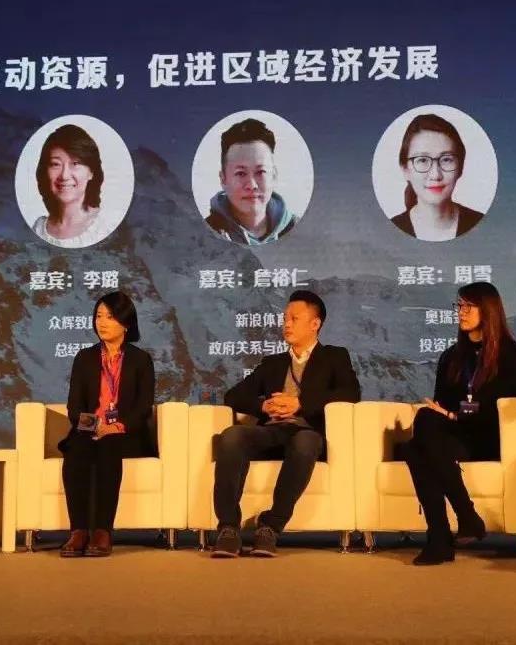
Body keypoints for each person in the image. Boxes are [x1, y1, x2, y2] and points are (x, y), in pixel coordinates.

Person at [211, 290, 361, 558]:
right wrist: (263, 406)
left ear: (315, 324)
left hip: (307, 431)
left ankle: (270, 527)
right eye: (285, 319)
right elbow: (233, 395)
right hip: (271, 432)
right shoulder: (274, 363)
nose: (287, 324)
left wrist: (300, 404)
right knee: (231, 436)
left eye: (294, 318)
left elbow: (350, 393)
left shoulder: (334, 357)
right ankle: (228, 528)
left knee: (305, 442)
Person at [399, 283, 516, 564]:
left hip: (486, 435)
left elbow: (500, 408)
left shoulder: (508, 354)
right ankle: (463, 518)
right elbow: (441, 403)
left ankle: (441, 537)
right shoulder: (451, 356)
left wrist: (454, 416)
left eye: (469, 306)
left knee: (416, 448)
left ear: (488, 310)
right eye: (459, 306)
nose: (461, 312)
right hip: (452, 435)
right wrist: (447, 415)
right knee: (421, 430)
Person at [57, 291, 155, 557]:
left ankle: (102, 531)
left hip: (126, 433)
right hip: (89, 430)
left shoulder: (141, 360)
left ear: (126, 323)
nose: (101, 323)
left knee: (110, 446)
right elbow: (74, 407)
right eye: (99, 316)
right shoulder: (84, 358)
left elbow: (143, 407)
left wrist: (115, 427)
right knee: (76, 449)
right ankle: (78, 531)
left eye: (110, 317)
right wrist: (94, 427)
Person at [204, 118, 297, 245]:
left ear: (274, 176)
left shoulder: (300, 232)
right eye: (241, 173)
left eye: (260, 172)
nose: (252, 185)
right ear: (223, 179)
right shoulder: (202, 236)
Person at [391, 113, 483, 241]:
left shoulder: (483, 224)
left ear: (461, 167)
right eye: (422, 160)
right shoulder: (388, 230)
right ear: (405, 169)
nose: (435, 175)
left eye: (446, 159)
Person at [32, 124, 114, 248]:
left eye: (75, 163)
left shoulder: (105, 225)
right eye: (55, 164)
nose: (64, 175)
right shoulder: (39, 228)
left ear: (91, 172)